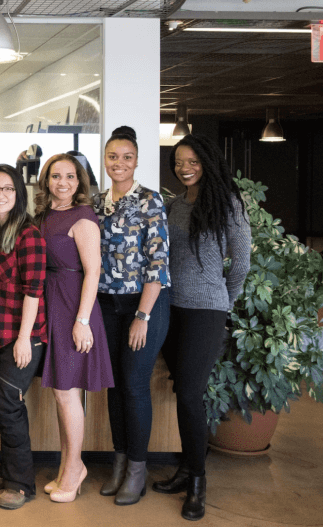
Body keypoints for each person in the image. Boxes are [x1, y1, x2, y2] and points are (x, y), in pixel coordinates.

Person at [154, 134, 250, 521]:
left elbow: (240, 263)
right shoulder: (175, 204)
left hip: (206, 311)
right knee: (182, 390)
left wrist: (222, 304)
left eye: (192, 161)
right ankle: (186, 468)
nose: (184, 167)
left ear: (207, 162)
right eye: (178, 161)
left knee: (191, 394)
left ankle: (197, 480)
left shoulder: (228, 203)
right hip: (169, 309)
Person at [93, 126, 171, 505]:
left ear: (137, 161)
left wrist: (142, 315)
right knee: (114, 385)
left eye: (126, 157)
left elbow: (158, 263)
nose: (119, 163)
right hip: (108, 305)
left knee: (135, 386)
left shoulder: (150, 201)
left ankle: (138, 470)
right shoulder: (97, 203)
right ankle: (119, 463)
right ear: (104, 160)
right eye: (112, 156)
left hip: (145, 303)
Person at [35, 153, 113, 503]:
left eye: (69, 176)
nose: (62, 183)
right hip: (50, 304)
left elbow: (93, 271)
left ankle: (74, 470)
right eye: (55, 176)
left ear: (79, 182)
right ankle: (69, 466)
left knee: (67, 393)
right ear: (46, 180)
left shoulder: (84, 218)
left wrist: (82, 321)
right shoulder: (44, 215)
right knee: (59, 392)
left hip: (72, 307)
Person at [0, 164, 47, 510]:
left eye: (8, 188)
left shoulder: (28, 234)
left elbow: (34, 290)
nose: (0, 194)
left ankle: (21, 484)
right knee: (5, 406)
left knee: (7, 405)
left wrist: (23, 338)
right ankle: (8, 468)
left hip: (22, 336)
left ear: (19, 195)